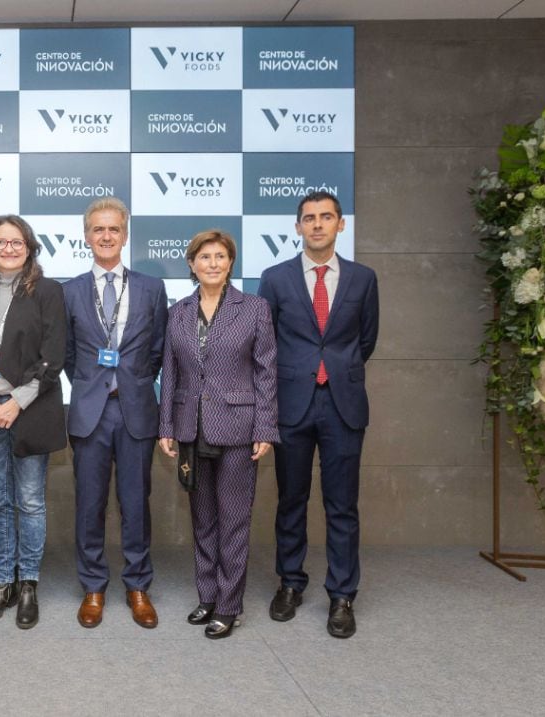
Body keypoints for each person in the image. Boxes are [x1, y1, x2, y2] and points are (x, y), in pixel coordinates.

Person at [258, 191, 379, 639]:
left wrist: (336, 371)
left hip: (343, 405)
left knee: (342, 505)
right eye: (309, 218)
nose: (317, 225)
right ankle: (290, 583)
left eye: (326, 217)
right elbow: (265, 345)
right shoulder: (275, 278)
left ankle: (342, 595)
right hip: (291, 405)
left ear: (340, 225)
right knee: (291, 500)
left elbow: (367, 340)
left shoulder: (364, 279)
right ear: (297, 227)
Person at [158, 230, 278, 639]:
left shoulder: (255, 308)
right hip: (192, 427)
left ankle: (229, 604)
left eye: (220, 256)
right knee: (203, 518)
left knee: (233, 521)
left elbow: (266, 373)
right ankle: (207, 595)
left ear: (231, 263)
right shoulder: (178, 311)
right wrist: (166, 427)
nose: (212, 263)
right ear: (191, 264)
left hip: (239, 428)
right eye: (204, 256)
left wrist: (265, 426)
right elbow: (170, 373)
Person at [63, 197, 168, 629]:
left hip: (136, 409)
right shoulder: (67, 291)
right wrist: (91, 385)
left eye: (114, 229)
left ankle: (137, 585)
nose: (106, 236)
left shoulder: (150, 288)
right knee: (89, 503)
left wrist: (133, 382)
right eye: (98, 229)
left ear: (125, 235)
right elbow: (68, 355)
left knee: (135, 502)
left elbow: (158, 349)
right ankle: (93, 586)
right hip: (90, 412)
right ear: (87, 236)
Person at [0, 215, 66, 630]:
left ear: (29, 246)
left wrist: (16, 403)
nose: (8, 248)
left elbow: (54, 357)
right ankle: (2, 582)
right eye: (0, 242)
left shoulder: (48, 291)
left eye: (16, 241)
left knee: (31, 500)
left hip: (30, 407)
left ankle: (28, 584)